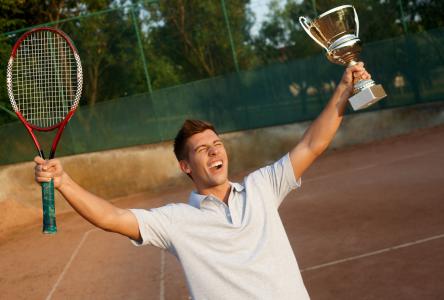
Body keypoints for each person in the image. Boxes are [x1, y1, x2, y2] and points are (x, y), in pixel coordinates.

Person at [34, 63, 371, 299]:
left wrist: (344, 88)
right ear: (186, 166)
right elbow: (111, 218)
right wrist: (62, 181)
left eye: (217, 144)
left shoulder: (262, 187)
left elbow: (313, 143)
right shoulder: (175, 221)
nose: (213, 152)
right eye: (202, 150)